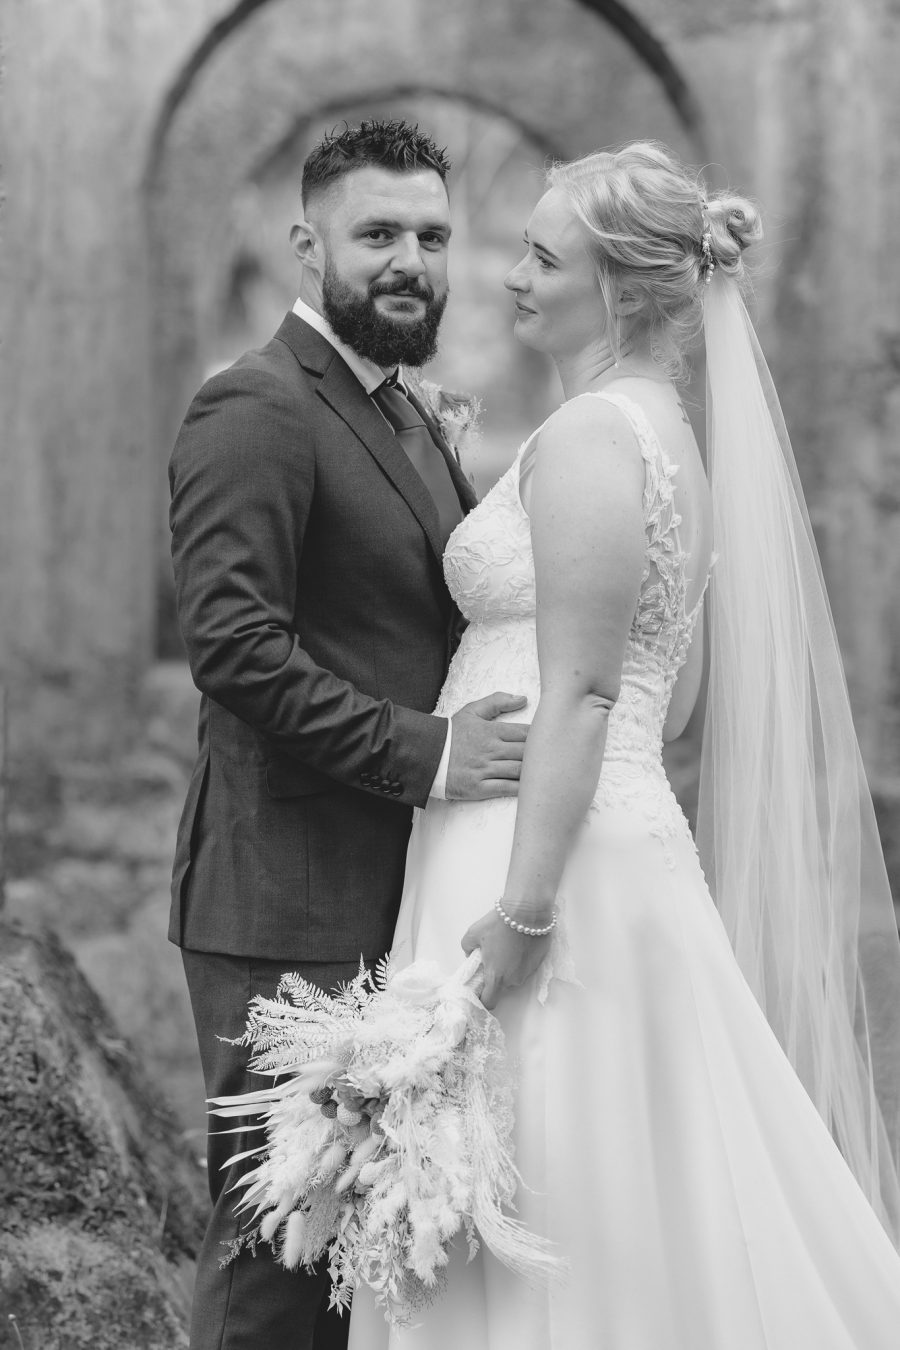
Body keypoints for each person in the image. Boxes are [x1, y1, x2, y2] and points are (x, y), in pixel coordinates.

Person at [347, 141, 900, 1348]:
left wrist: (530, 908)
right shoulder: (670, 440)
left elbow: (590, 694)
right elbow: (677, 699)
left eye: (544, 259)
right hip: (594, 833)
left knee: (553, 1173)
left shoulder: (601, 437)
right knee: (615, 1177)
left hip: (540, 857)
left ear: (621, 288)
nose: (511, 279)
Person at [168, 119, 529, 1350]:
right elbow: (236, 648)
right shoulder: (254, 407)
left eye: (432, 236)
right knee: (282, 1245)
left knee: (362, 1251)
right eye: (378, 233)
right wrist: (428, 752)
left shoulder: (402, 412)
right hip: (284, 901)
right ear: (305, 243)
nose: (410, 261)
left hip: (395, 893)